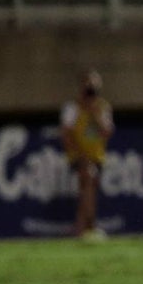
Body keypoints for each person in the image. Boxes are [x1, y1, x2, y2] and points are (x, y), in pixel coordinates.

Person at [60, 69, 114, 242]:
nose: (91, 89)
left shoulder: (102, 107)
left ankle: (81, 226)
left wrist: (94, 113)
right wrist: (79, 155)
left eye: (94, 86)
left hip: (97, 155)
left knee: (88, 187)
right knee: (88, 177)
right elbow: (66, 134)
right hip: (78, 155)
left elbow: (106, 132)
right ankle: (88, 226)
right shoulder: (72, 108)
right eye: (88, 85)